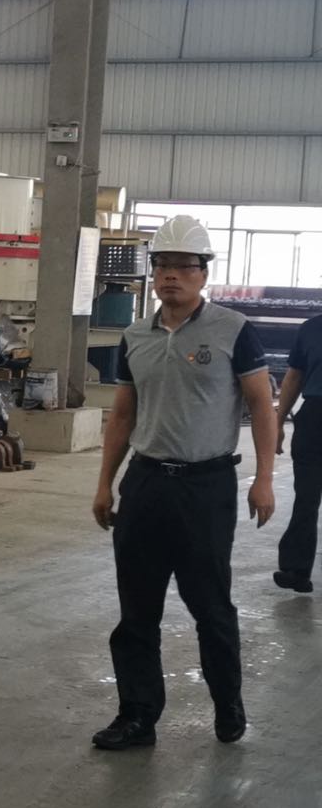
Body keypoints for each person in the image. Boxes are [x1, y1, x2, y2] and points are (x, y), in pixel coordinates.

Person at [89, 214, 276, 750]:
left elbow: (263, 406)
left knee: (210, 606)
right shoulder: (134, 336)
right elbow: (123, 414)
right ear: (152, 273)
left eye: (184, 266)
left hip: (205, 488)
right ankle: (137, 716)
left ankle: (228, 703)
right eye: (163, 265)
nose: (171, 275)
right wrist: (105, 483)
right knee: (136, 610)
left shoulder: (233, 330)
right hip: (146, 484)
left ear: (203, 273)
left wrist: (264, 479)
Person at [272, 315, 322, 594]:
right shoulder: (312, 328)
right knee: (306, 497)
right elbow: (294, 376)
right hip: (315, 418)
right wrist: (277, 422)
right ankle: (296, 569)